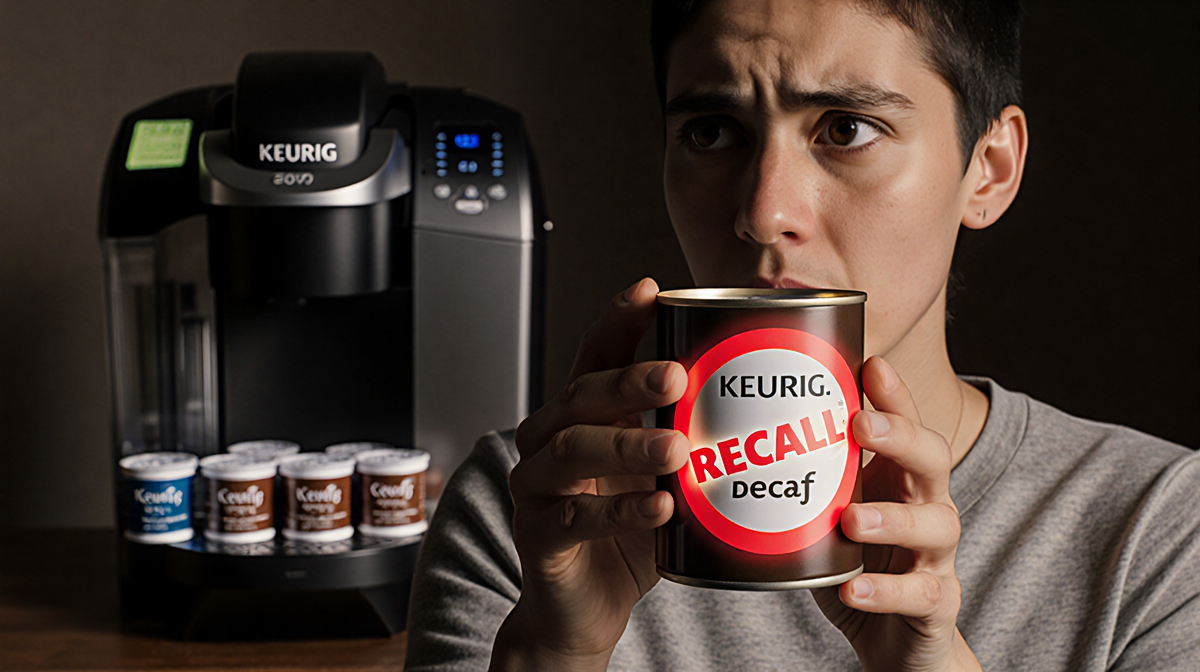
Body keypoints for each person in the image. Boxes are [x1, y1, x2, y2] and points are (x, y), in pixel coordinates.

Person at [404, 0, 1200, 670]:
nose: (763, 212)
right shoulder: (534, 511)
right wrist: (554, 656)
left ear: (988, 169)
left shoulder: (1160, 532)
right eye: (712, 132)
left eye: (847, 127)